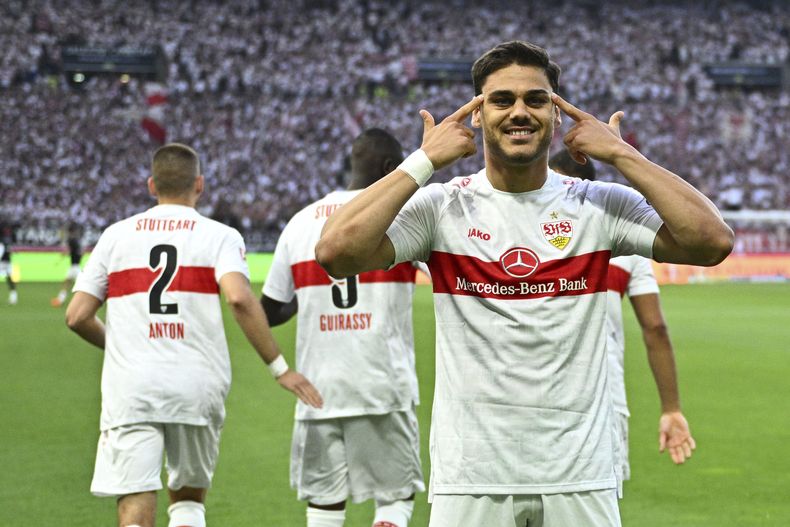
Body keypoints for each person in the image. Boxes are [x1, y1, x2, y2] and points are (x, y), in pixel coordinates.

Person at [315, 40, 733, 527]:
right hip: (471, 477)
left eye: (536, 100)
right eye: (501, 100)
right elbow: (335, 252)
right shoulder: (442, 207)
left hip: (579, 474)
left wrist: (621, 153)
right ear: (477, 114)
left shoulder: (599, 205)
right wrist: (423, 161)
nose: (519, 112)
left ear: (558, 117)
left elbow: (711, 242)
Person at [65, 143, 323, 527]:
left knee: (135, 498)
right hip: (196, 384)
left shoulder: (115, 236)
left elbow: (77, 315)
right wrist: (280, 367)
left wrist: (118, 344)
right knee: (187, 501)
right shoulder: (220, 236)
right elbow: (238, 298)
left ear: (152, 185)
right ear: (199, 185)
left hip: (132, 387)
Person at [262, 128, 425, 527]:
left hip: (319, 390)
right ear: (391, 168)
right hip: (382, 384)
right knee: (395, 499)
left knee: (324, 505)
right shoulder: (400, 215)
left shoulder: (300, 222)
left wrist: (312, 295)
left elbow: (269, 310)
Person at [549, 150, 696, 484]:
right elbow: (654, 327)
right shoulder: (627, 246)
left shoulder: (523, 235)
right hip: (603, 393)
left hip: (529, 397)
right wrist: (671, 407)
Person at [51, 222, 83, 307]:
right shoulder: (77, 240)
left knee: (73, 284)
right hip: (75, 266)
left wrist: (61, 257)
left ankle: (78, 301)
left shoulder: (71, 240)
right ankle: (61, 299)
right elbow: (80, 253)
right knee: (68, 282)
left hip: (74, 267)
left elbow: (68, 251)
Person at [1, 221, 18, 305]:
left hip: (4, 261)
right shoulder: (7, 238)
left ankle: (13, 296)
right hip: (6, 261)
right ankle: (13, 296)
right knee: (9, 278)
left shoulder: (4, 239)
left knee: (9, 278)